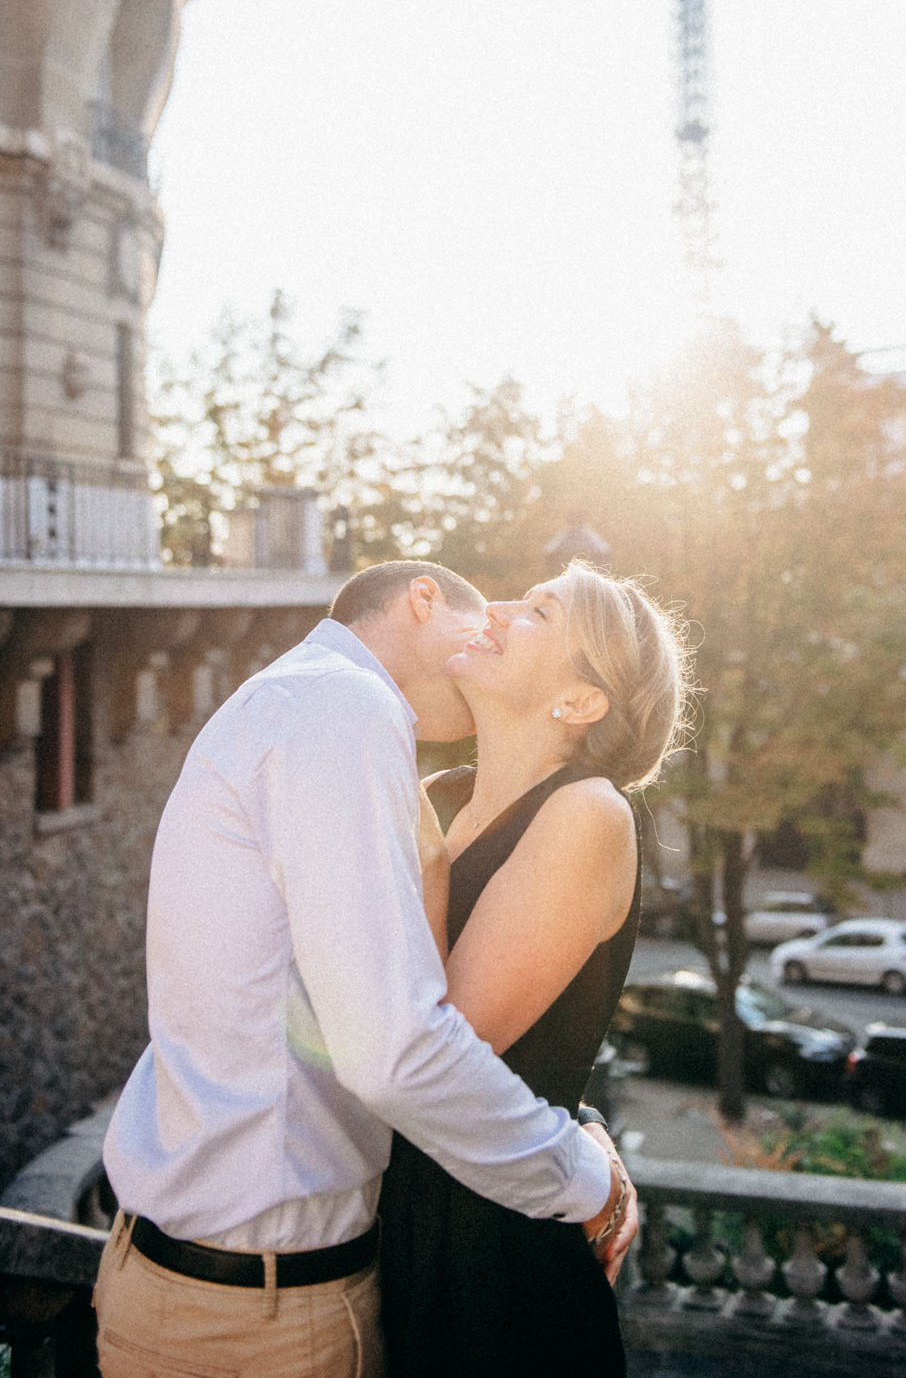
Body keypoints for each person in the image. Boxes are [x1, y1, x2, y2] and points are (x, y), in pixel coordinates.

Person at [93, 560, 633, 1378]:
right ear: (422, 599)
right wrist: (587, 1175)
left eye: (536, 612)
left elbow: (438, 1021)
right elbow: (397, 1049)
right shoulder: (344, 708)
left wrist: (571, 1109)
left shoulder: (315, 707)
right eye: (498, 604)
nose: (496, 614)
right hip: (257, 1309)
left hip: (222, 1285)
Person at [379, 560, 692, 1377]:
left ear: (581, 702)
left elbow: (435, 1049)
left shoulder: (588, 813)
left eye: (540, 612)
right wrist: (580, 1121)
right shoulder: (438, 796)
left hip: (487, 1256)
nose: (495, 607)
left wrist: (576, 1137)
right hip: (386, 1222)